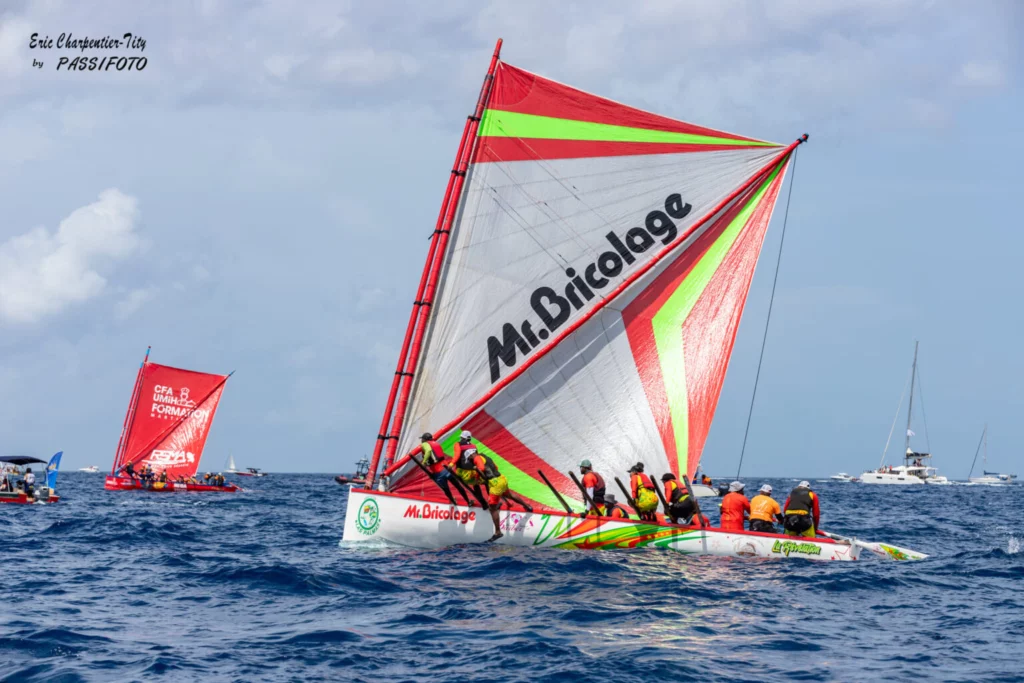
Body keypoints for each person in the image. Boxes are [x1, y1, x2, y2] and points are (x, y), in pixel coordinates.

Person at [463, 433, 533, 542]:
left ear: (472, 455)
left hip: (495, 484)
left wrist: (477, 475)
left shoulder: (476, 458)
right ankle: (527, 506)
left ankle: (498, 532)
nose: (471, 461)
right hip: (501, 478)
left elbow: (480, 467)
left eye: (470, 459)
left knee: (492, 507)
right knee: (509, 495)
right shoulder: (485, 456)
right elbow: (495, 467)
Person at [412, 432, 458, 507]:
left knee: (445, 489)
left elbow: (428, 451)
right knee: (456, 485)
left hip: (438, 472)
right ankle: (459, 499)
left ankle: (453, 500)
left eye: (422, 439)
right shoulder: (436, 444)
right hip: (446, 468)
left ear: (424, 439)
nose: (421, 441)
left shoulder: (425, 445)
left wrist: (423, 462)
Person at [448, 431, 487, 506]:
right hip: (474, 471)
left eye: (461, 438)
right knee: (477, 485)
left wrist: (451, 464)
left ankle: (470, 500)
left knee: (459, 483)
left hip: (464, 473)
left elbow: (457, 455)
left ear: (463, 438)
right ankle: (484, 502)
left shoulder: (458, 444)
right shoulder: (474, 446)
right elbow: (476, 457)